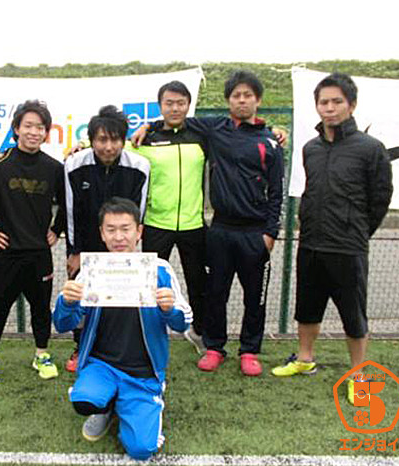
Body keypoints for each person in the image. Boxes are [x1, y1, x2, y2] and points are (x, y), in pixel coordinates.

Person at [133, 70, 284, 376]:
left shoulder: (270, 141)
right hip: (220, 229)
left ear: (257, 100)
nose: (242, 100)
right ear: (228, 101)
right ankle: (214, 346)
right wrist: (147, 126)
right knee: (215, 293)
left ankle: (249, 350)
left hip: (254, 232)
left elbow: (277, 193)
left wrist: (270, 233)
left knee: (254, 296)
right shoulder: (214, 128)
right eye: (236, 95)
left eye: (248, 95)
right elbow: (170, 124)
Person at [271, 73, 393, 404]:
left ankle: (359, 376)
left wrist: (358, 231)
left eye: (337, 101)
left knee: (354, 316)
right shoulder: (311, 148)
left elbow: (380, 198)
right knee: (307, 309)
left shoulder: (370, 149)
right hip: (311, 243)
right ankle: (304, 359)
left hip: (348, 247)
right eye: (323, 102)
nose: (329, 108)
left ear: (351, 105)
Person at [53, 197, 192, 461]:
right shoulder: (92, 271)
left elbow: (183, 321)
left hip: (143, 373)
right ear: (102, 234)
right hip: (101, 365)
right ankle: (105, 406)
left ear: (139, 232)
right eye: (111, 229)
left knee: (141, 449)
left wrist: (169, 309)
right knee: (84, 400)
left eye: (125, 229)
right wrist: (66, 302)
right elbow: (62, 325)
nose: (119, 237)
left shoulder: (159, 269)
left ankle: (140, 403)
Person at [0, 100, 66, 385]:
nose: (34, 132)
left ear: (46, 132)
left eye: (40, 127)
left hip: (39, 255)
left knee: (41, 310)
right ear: (16, 129)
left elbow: (68, 204)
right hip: (6, 254)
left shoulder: (54, 168)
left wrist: (57, 229)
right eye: (28, 126)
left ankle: (41, 354)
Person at [63, 105, 150, 372]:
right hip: (85, 245)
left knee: (120, 296)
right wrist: (75, 251)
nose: (108, 147)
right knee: (82, 296)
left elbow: (138, 212)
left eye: (114, 140)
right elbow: (71, 210)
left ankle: (122, 350)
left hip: (122, 245)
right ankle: (80, 346)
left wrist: (130, 249)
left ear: (124, 140)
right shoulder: (74, 164)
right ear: (92, 140)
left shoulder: (140, 167)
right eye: (102, 140)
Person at [126, 80, 207, 355]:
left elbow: (237, 127)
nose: (175, 108)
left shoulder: (201, 134)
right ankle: (148, 335)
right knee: (150, 283)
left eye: (180, 103)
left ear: (188, 105)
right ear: (160, 106)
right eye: (169, 103)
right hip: (156, 224)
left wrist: (274, 130)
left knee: (198, 283)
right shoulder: (145, 138)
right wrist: (81, 144)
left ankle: (199, 332)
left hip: (193, 224)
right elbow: (114, 145)